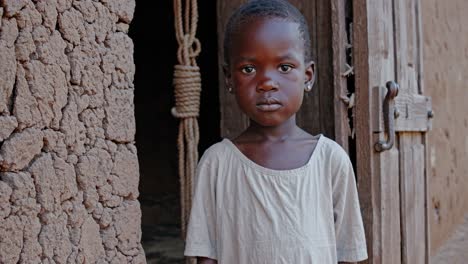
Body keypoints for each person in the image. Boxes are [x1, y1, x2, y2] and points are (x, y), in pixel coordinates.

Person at [184, 0, 367, 263]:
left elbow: (349, 253)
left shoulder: (330, 161)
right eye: (249, 69)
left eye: (284, 67)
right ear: (229, 79)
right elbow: (206, 257)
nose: (267, 83)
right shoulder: (217, 163)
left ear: (308, 76)